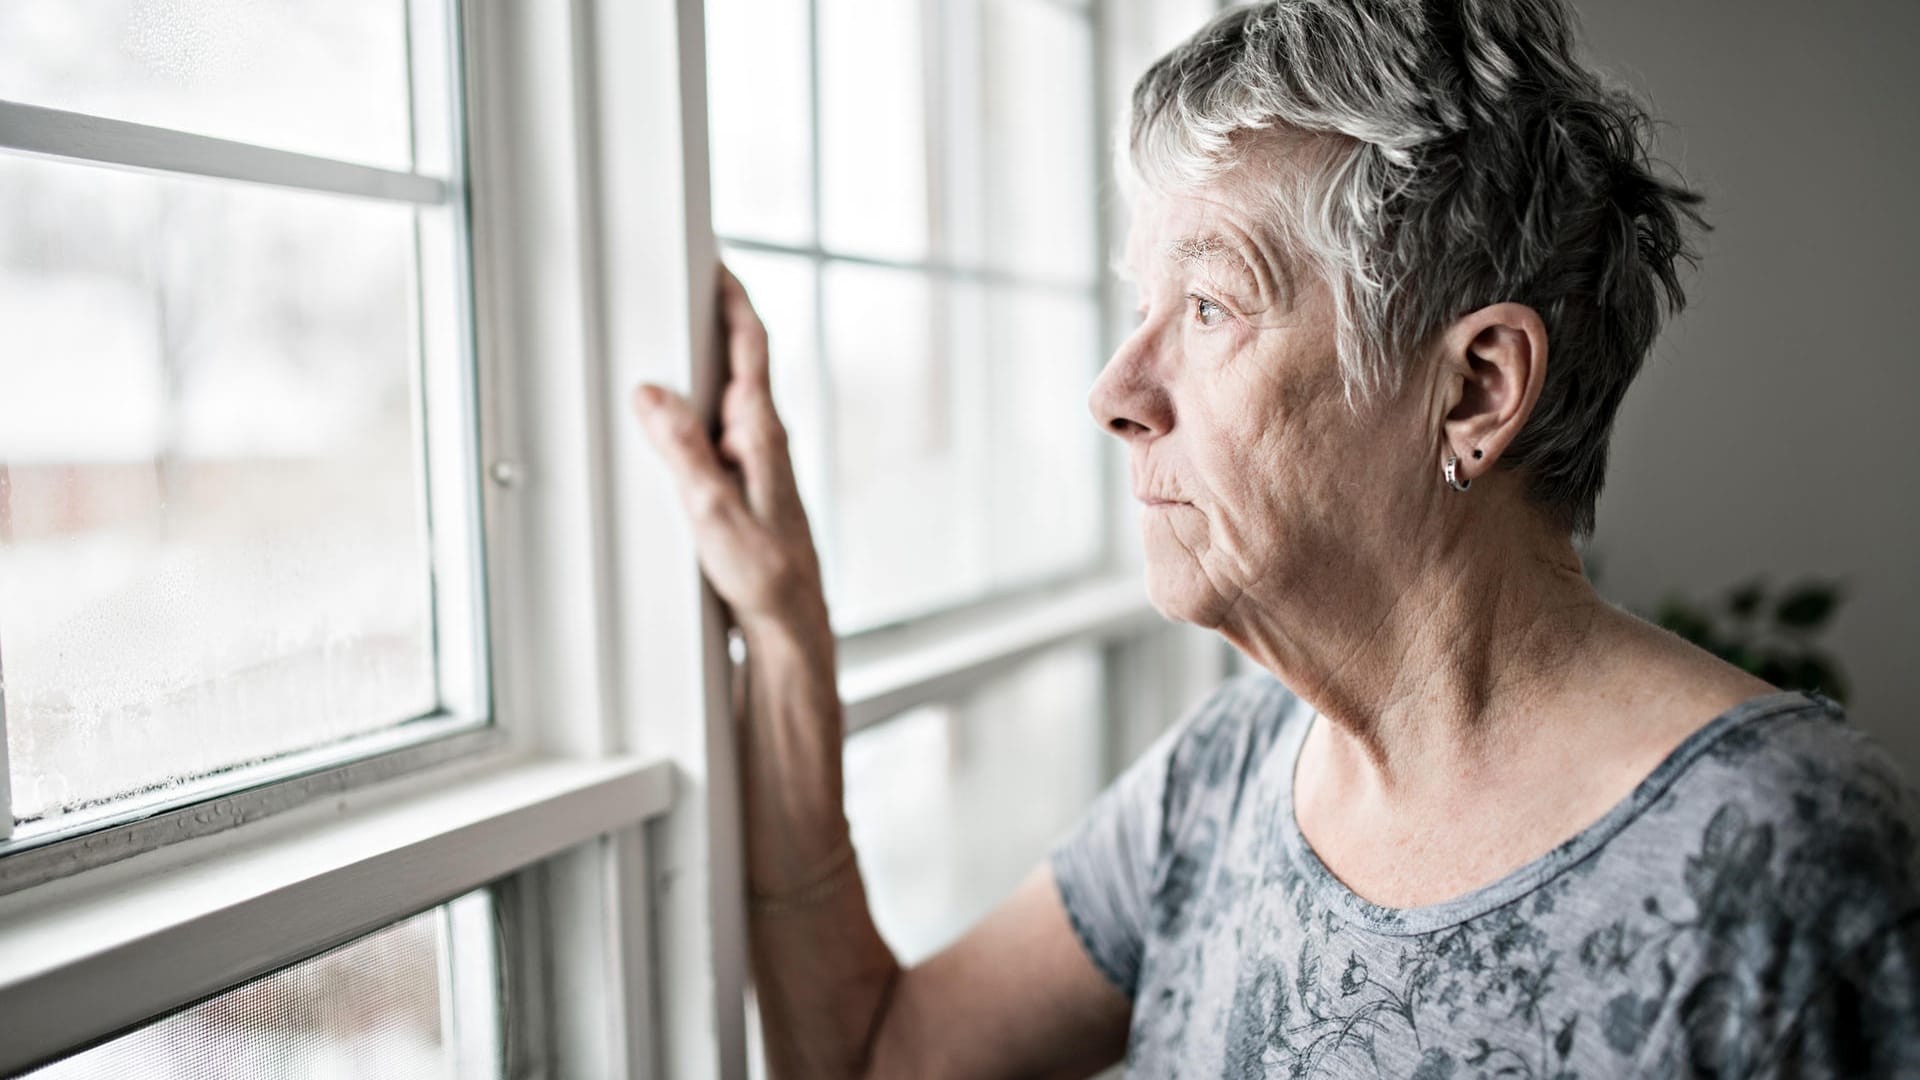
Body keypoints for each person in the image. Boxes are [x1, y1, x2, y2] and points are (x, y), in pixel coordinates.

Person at [633, 1, 1920, 1076]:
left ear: (1474, 388)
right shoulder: (1229, 772)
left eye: (1208, 303)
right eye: (1143, 305)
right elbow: (874, 1060)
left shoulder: (1776, 858)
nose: (1116, 391)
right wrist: (790, 643)